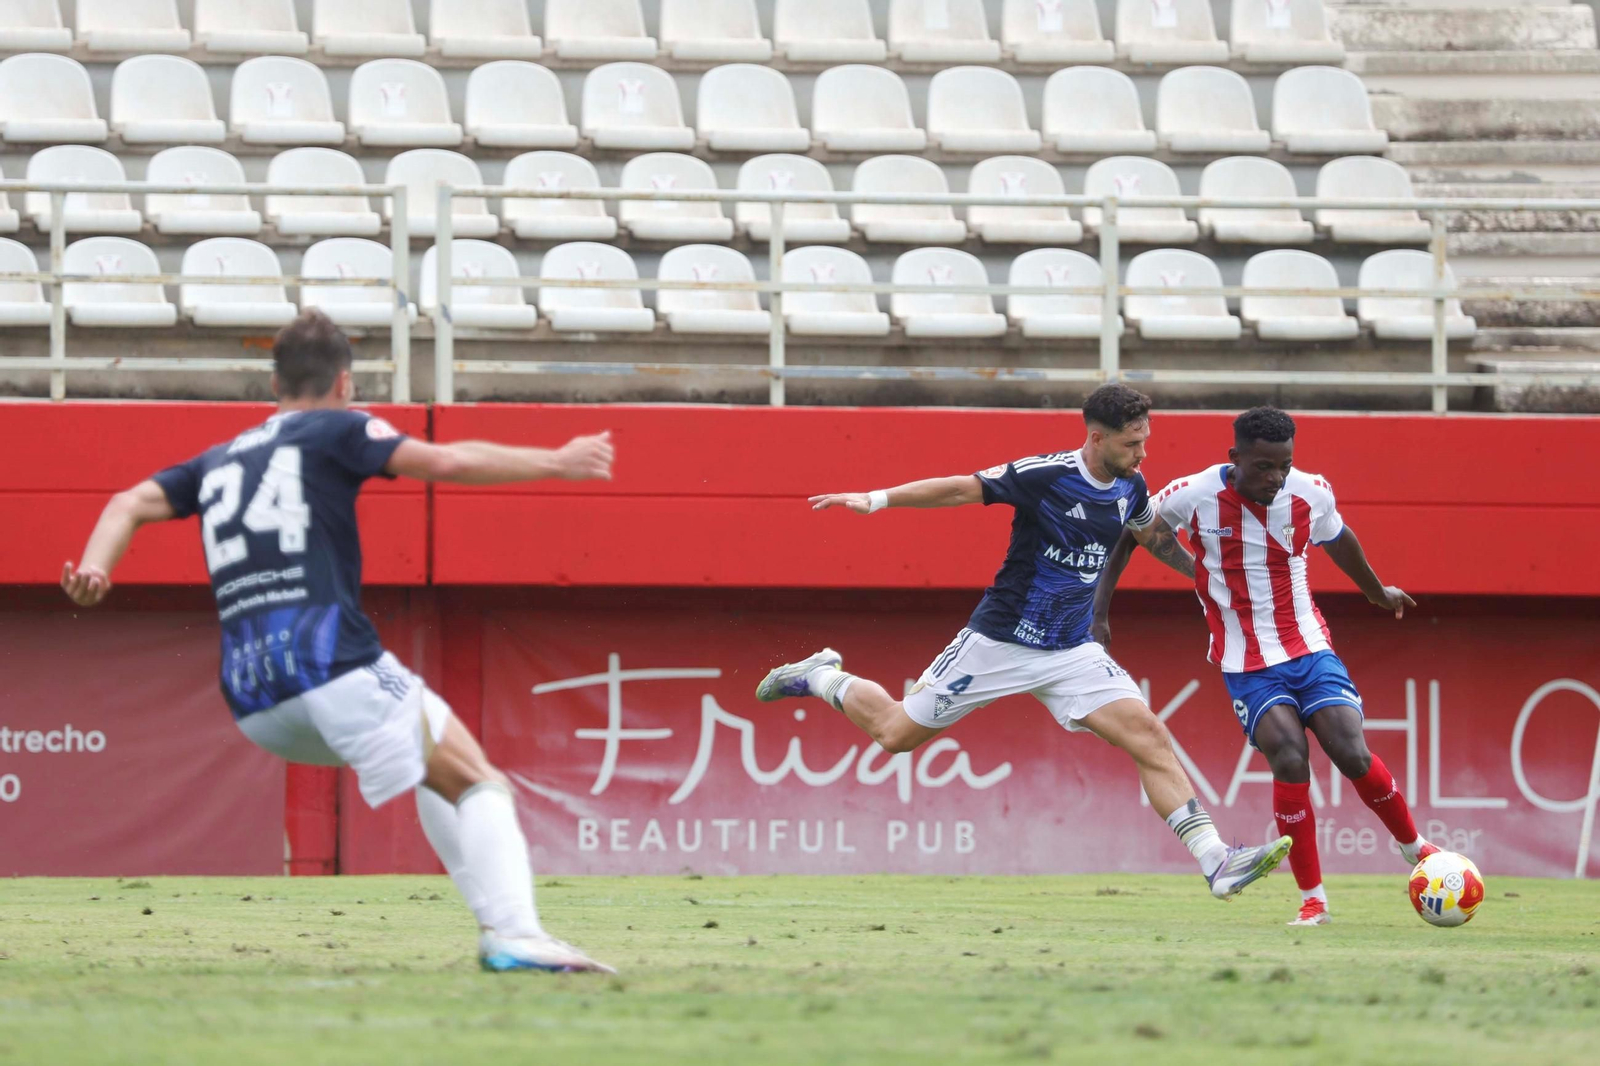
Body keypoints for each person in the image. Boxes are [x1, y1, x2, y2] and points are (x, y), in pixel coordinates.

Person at [60, 309, 617, 973]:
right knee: (479, 781)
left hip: (254, 701)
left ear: (274, 383)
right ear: (345, 384)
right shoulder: (339, 427)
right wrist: (555, 461)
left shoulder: (217, 459)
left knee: (438, 775)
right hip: (329, 666)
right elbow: (444, 459)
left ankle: (503, 929)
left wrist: (97, 566)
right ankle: (516, 935)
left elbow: (126, 502)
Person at [756, 384, 1292, 899]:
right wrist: (875, 499)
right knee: (895, 733)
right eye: (1132, 443)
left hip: (1071, 651)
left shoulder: (1132, 486)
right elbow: (960, 488)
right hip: (1000, 641)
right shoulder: (1046, 475)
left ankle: (1216, 860)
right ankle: (821, 673)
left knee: (1148, 734)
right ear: (1096, 438)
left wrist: (1207, 575)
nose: (1142, 451)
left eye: (1145, 439)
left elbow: (1150, 534)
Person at [1093, 406, 1437, 927]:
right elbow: (1133, 534)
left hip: (1307, 645)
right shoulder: (1194, 493)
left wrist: (1374, 590)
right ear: (1235, 459)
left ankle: (1414, 848)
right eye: (1264, 467)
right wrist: (1099, 611)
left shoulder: (1310, 492)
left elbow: (1337, 537)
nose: (1276, 478)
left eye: (1284, 466)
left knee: (1349, 748)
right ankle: (1314, 899)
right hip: (1245, 660)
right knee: (1289, 756)